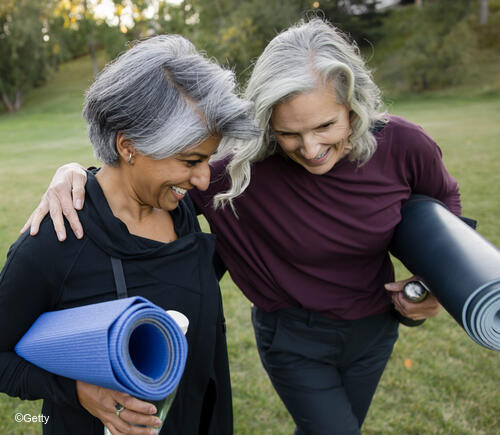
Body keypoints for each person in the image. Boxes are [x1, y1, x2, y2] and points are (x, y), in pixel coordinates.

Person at [23, 19, 460, 435]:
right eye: (289, 133)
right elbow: (139, 183)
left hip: (375, 330)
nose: (310, 149)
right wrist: (78, 173)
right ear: (267, 122)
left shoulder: (403, 145)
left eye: (326, 125)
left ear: (352, 105)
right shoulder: (234, 175)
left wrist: (437, 282)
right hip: (294, 340)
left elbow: (444, 206)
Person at [0, 34, 258, 435]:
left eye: (209, 158)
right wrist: (74, 389)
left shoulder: (185, 210)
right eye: (191, 160)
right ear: (128, 146)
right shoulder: (57, 240)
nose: (205, 178)